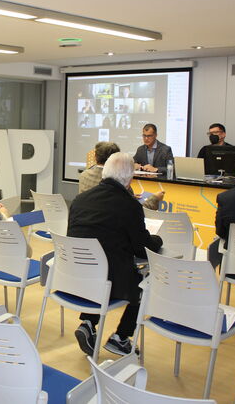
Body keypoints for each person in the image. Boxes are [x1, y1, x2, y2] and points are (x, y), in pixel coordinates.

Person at [69, 152, 163, 356]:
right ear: (130, 178)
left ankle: (87, 322)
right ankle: (120, 337)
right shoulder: (130, 206)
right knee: (144, 285)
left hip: (76, 274)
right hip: (109, 279)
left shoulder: (80, 200)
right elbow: (142, 248)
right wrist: (158, 240)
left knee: (101, 268)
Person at [79, 141, 164, 210]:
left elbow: (102, 201)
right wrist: (154, 199)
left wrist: (130, 197)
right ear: (116, 158)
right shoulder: (119, 180)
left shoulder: (84, 176)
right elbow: (135, 211)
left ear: (95, 157)